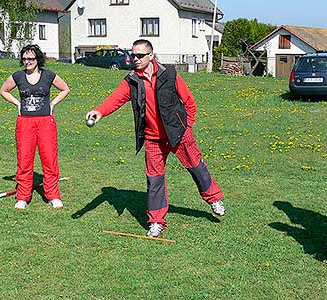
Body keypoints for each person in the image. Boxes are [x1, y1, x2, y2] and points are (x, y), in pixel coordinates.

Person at [86, 39, 225, 237]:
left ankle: (214, 199)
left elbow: (189, 101)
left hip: (178, 134)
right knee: (154, 180)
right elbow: (115, 99)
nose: (135, 59)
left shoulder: (169, 74)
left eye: (140, 55)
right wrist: (99, 112)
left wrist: (187, 127)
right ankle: (156, 220)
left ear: (151, 55)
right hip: (152, 139)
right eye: (133, 55)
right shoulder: (132, 80)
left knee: (196, 167)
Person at [0, 44, 70, 210]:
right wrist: (17, 103)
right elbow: (4, 90)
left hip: (46, 122)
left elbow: (65, 89)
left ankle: (53, 195)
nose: (27, 62)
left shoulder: (48, 75)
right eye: (24, 59)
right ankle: (23, 196)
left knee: (49, 159)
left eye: (30, 59)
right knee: (24, 160)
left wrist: (53, 104)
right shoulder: (17, 76)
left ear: (38, 59)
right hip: (25, 123)